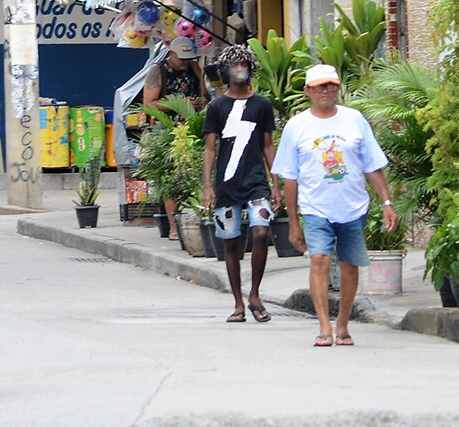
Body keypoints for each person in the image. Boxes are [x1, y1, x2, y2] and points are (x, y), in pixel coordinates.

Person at [271, 63, 397, 347]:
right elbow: (289, 178)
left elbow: (372, 165)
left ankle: (343, 322)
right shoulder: (297, 126)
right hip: (315, 207)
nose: (326, 91)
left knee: (349, 265)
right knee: (320, 260)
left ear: (338, 88)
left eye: (331, 85)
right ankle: (324, 326)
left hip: (353, 207)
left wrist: (387, 202)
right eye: (319, 87)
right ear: (308, 92)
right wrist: (293, 223)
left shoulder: (354, 119)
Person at [201, 45, 280, 324]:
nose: (239, 69)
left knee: (261, 233)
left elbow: (268, 146)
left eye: (244, 64)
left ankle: (255, 294)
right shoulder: (216, 107)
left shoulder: (262, 105)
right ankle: (237, 302)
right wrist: (207, 186)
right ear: (226, 71)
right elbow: (210, 149)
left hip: (256, 182)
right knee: (231, 242)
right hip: (226, 185)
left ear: (250, 69)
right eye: (234, 65)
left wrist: (276, 182)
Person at [143, 37, 212, 240]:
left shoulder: (194, 68)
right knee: (172, 177)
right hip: (168, 130)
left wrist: (200, 102)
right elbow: (149, 104)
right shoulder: (158, 70)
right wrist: (177, 103)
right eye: (181, 58)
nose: (185, 62)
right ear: (171, 54)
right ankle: (173, 226)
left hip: (192, 127)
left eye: (188, 58)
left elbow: (206, 94)